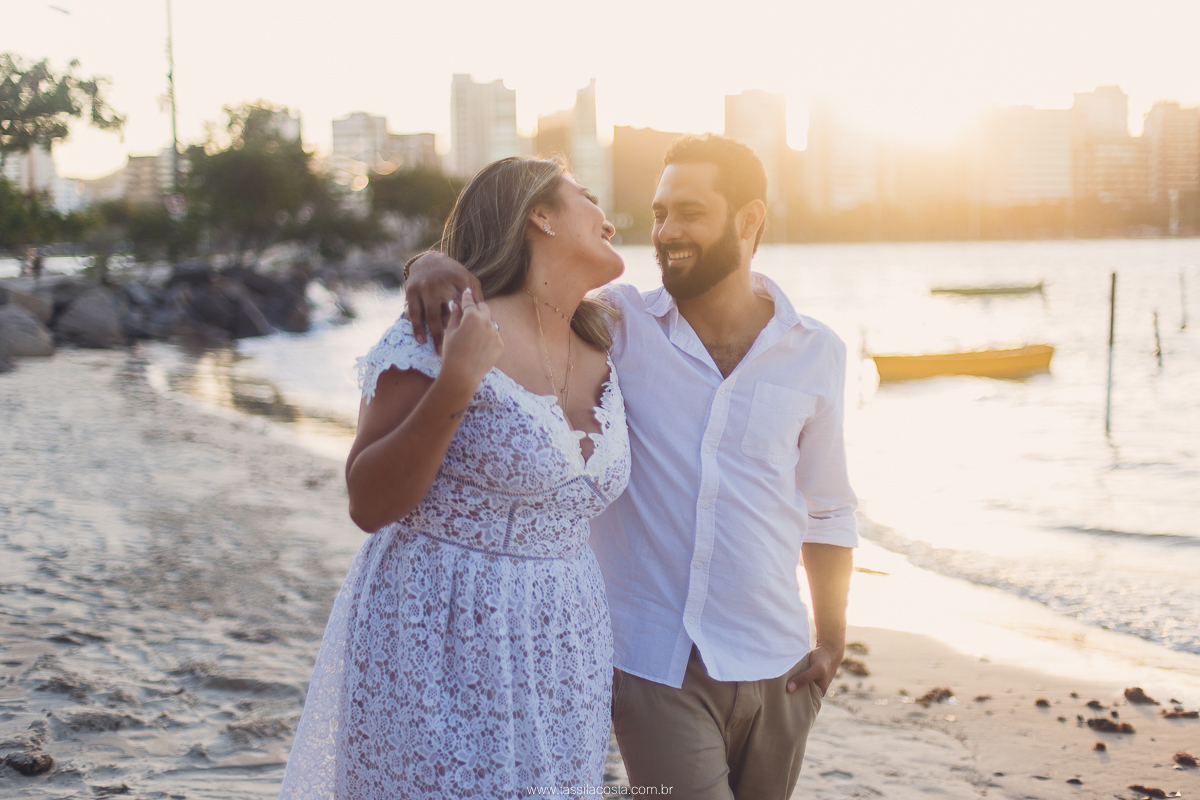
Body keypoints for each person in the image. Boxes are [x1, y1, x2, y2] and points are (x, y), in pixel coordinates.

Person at [406, 134, 858, 800]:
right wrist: (429, 263)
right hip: (654, 664)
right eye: (659, 213)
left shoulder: (817, 351)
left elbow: (828, 504)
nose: (666, 233)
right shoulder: (614, 325)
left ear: (749, 220)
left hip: (781, 664)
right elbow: (519, 286)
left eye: (690, 213)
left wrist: (832, 638)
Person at [279, 157, 630, 799]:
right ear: (540, 215)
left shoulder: (615, 337)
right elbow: (368, 502)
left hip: (565, 643)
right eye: (587, 196)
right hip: (439, 627)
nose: (607, 218)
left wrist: (427, 259)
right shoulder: (441, 329)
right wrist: (457, 381)